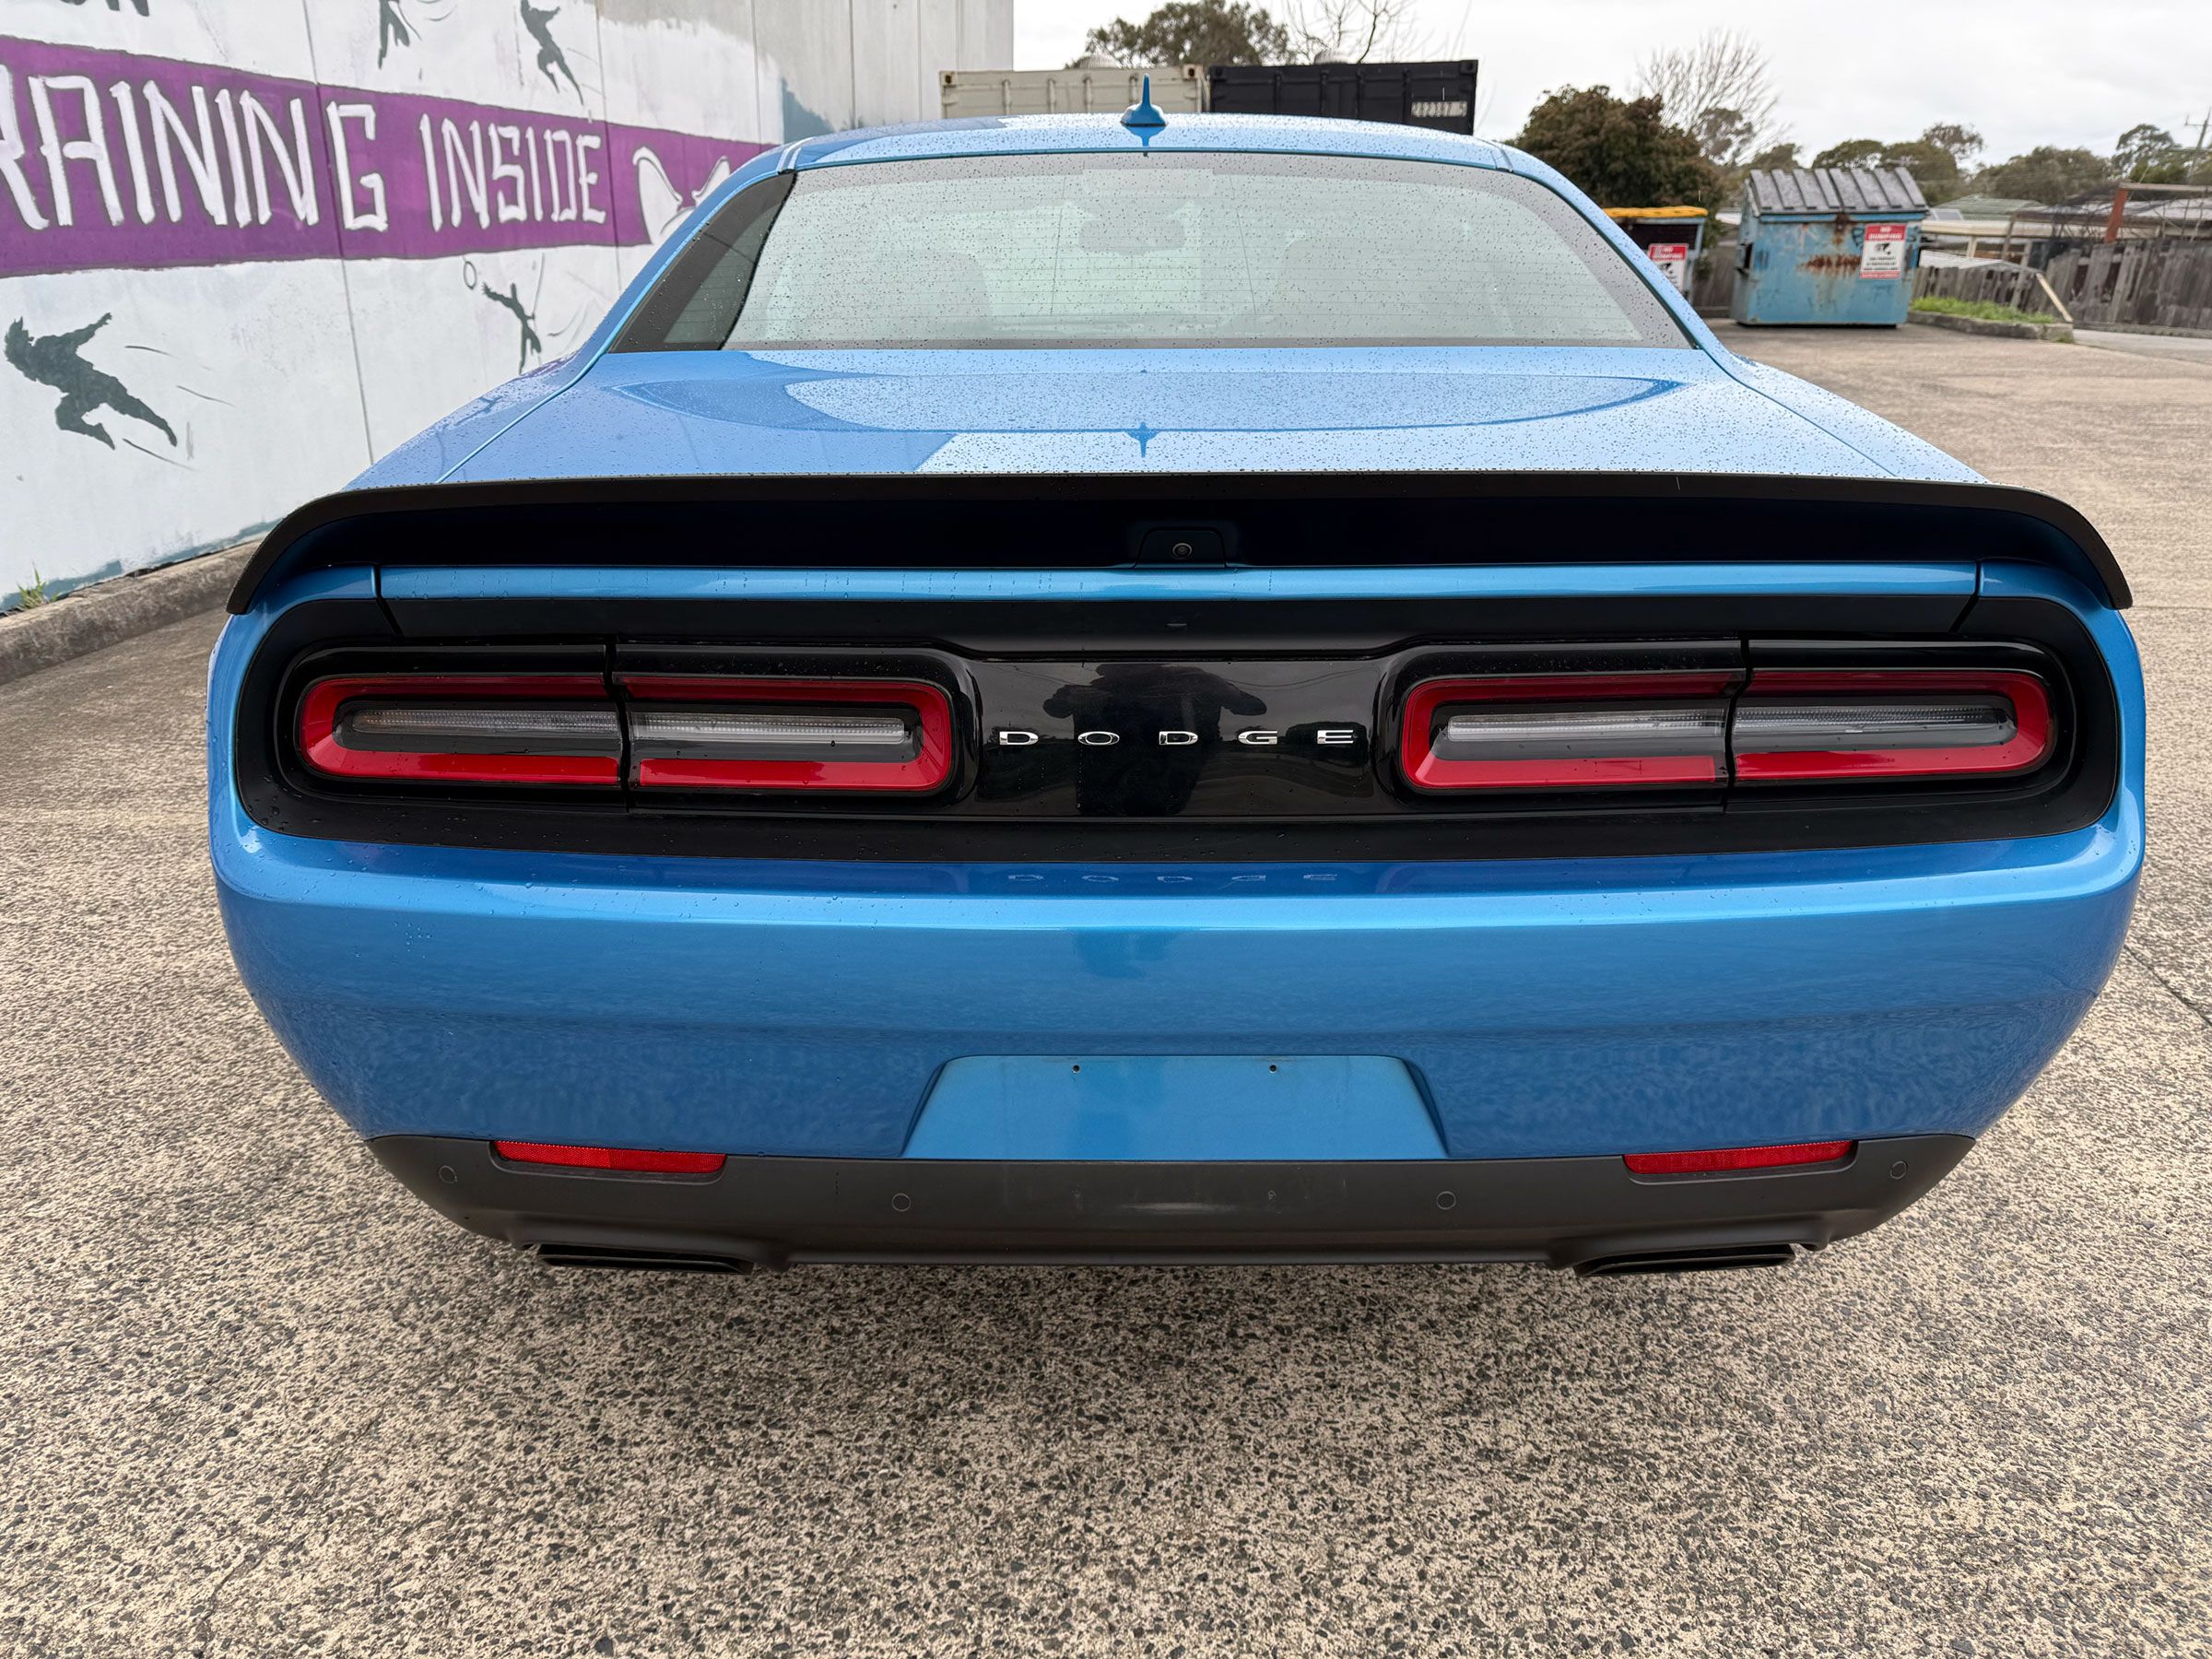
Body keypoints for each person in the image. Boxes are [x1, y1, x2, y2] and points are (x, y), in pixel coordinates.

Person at [4, 314, 176, 450]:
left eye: (23, 344)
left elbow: (74, 338)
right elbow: (24, 364)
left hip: (93, 381)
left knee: (128, 405)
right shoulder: (33, 369)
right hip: (80, 394)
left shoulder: (46, 346)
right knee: (64, 418)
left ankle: (162, 425)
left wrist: (96, 325)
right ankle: (97, 432)